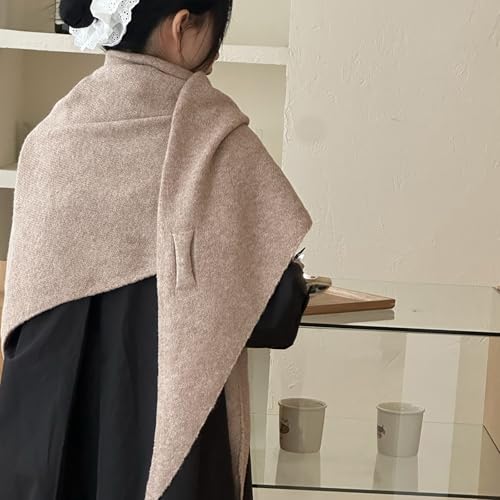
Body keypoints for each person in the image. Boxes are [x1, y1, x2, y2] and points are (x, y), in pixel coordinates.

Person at [0, 1, 313, 499]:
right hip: (172, 442)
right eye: (218, 28)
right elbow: (273, 314)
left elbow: (25, 322)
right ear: (182, 26)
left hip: (43, 441)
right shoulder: (216, 142)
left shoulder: (50, 140)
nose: (217, 48)